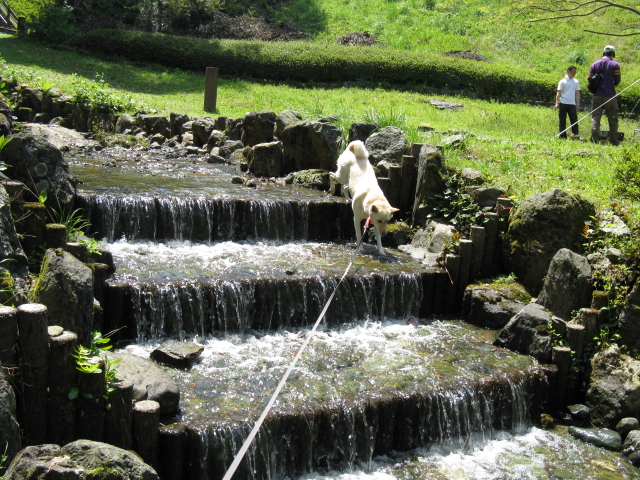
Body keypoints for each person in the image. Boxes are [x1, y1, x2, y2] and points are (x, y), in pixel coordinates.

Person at [588, 45, 621, 145]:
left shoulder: (595, 64)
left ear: (603, 53)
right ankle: (613, 141)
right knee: (613, 119)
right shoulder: (615, 65)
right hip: (610, 96)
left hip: (597, 95)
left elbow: (589, 79)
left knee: (596, 118)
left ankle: (595, 139)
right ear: (613, 54)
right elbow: (617, 80)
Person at [555, 66, 581, 138]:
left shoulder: (576, 81)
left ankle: (575, 135)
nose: (574, 73)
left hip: (572, 103)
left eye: (575, 72)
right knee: (562, 121)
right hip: (563, 103)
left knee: (574, 120)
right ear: (568, 71)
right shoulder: (562, 81)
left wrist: (577, 104)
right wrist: (557, 103)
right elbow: (558, 93)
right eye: (573, 71)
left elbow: (577, 94)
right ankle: (562, 136)